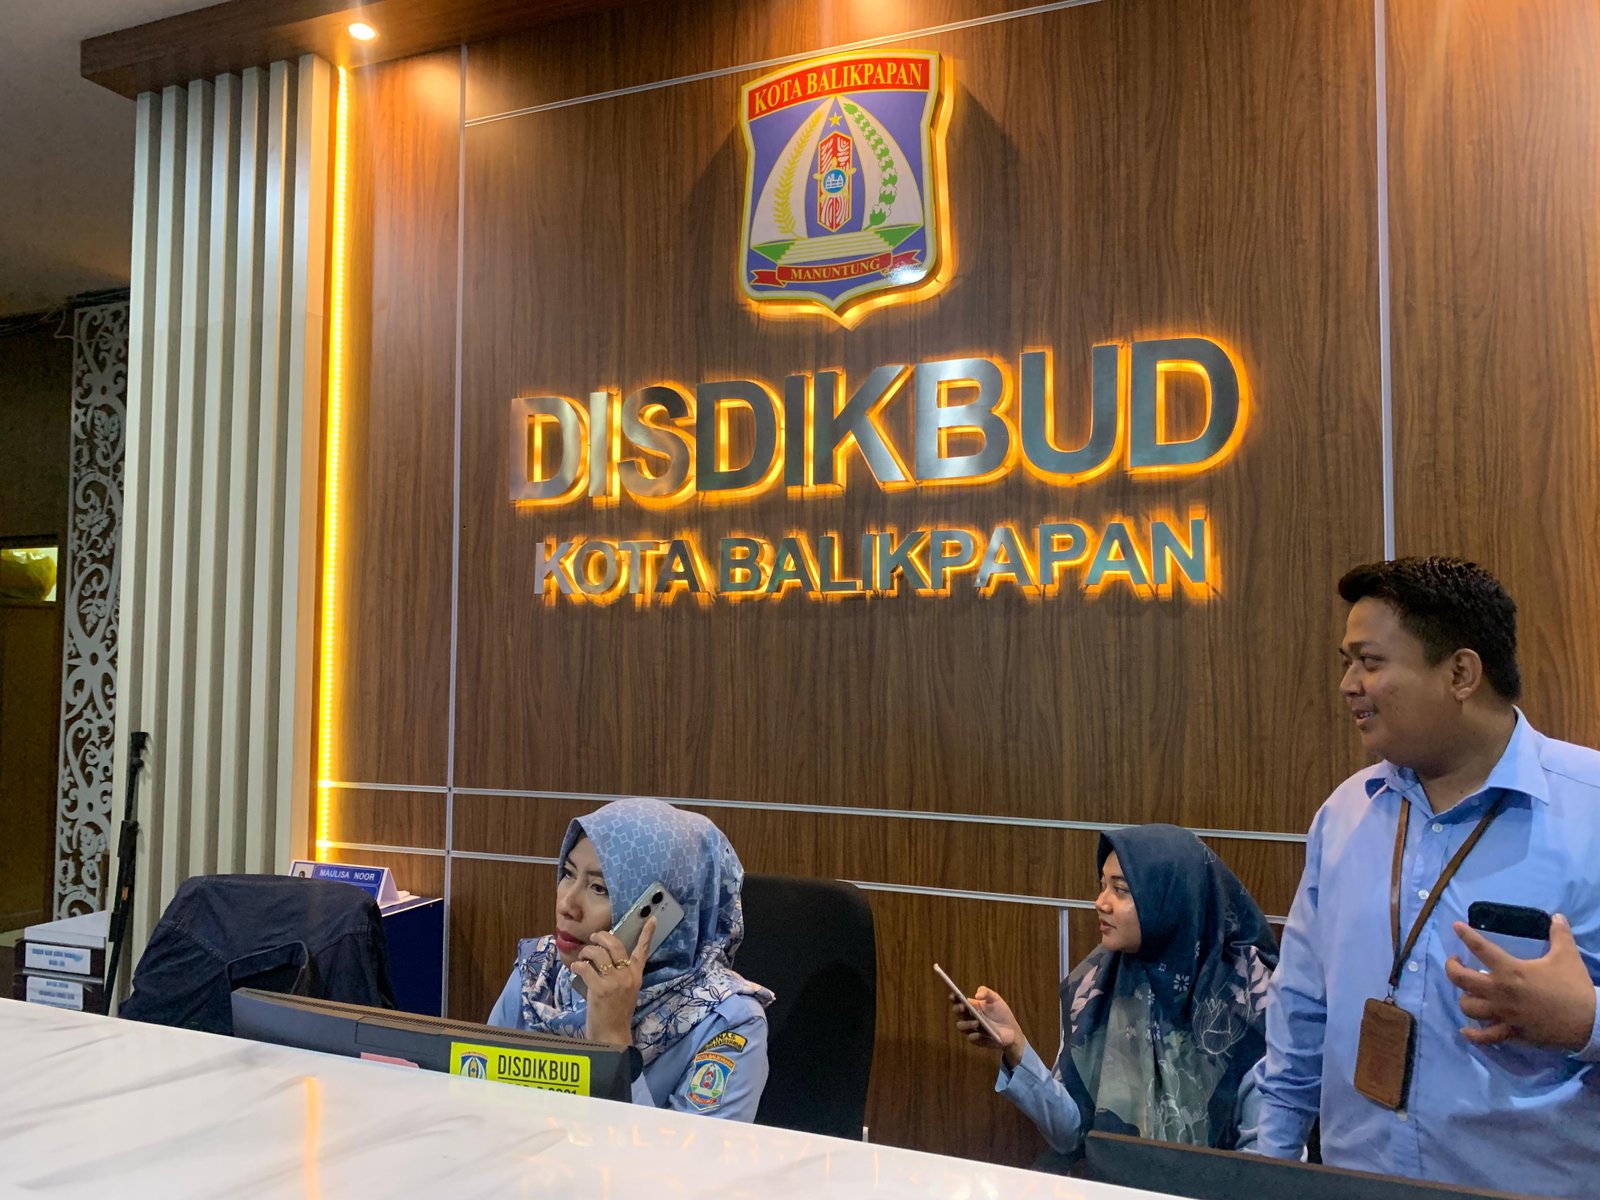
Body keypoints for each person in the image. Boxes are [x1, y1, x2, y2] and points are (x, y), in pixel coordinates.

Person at [1238, 557, 1600, 1198]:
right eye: (1347, 662)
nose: (1348, 684)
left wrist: (1586, 1022)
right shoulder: (1346, 814)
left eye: (1370, 662)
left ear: (1460, 673)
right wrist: (1269, 1167)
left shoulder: (1590, 810)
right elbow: (1301, 1014)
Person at [951, 824, 1277, 1163]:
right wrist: (1016, 1046)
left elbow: (1268, 1165)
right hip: (1113, 1183)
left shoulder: (1250, 1001)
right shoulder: (1102, 984)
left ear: (1170, 898)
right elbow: (1072, 1135)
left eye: (1120, 890)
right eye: (1102, 886)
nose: (1100, 902)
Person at [486, 797, 774, 1119]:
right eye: (568, 874)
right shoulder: (538, 975)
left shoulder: (728, 1021)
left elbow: (694, 1152)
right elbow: (479, 1106)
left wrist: (612, 1039)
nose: (566, 905)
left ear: (661, 913)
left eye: (600, 889)